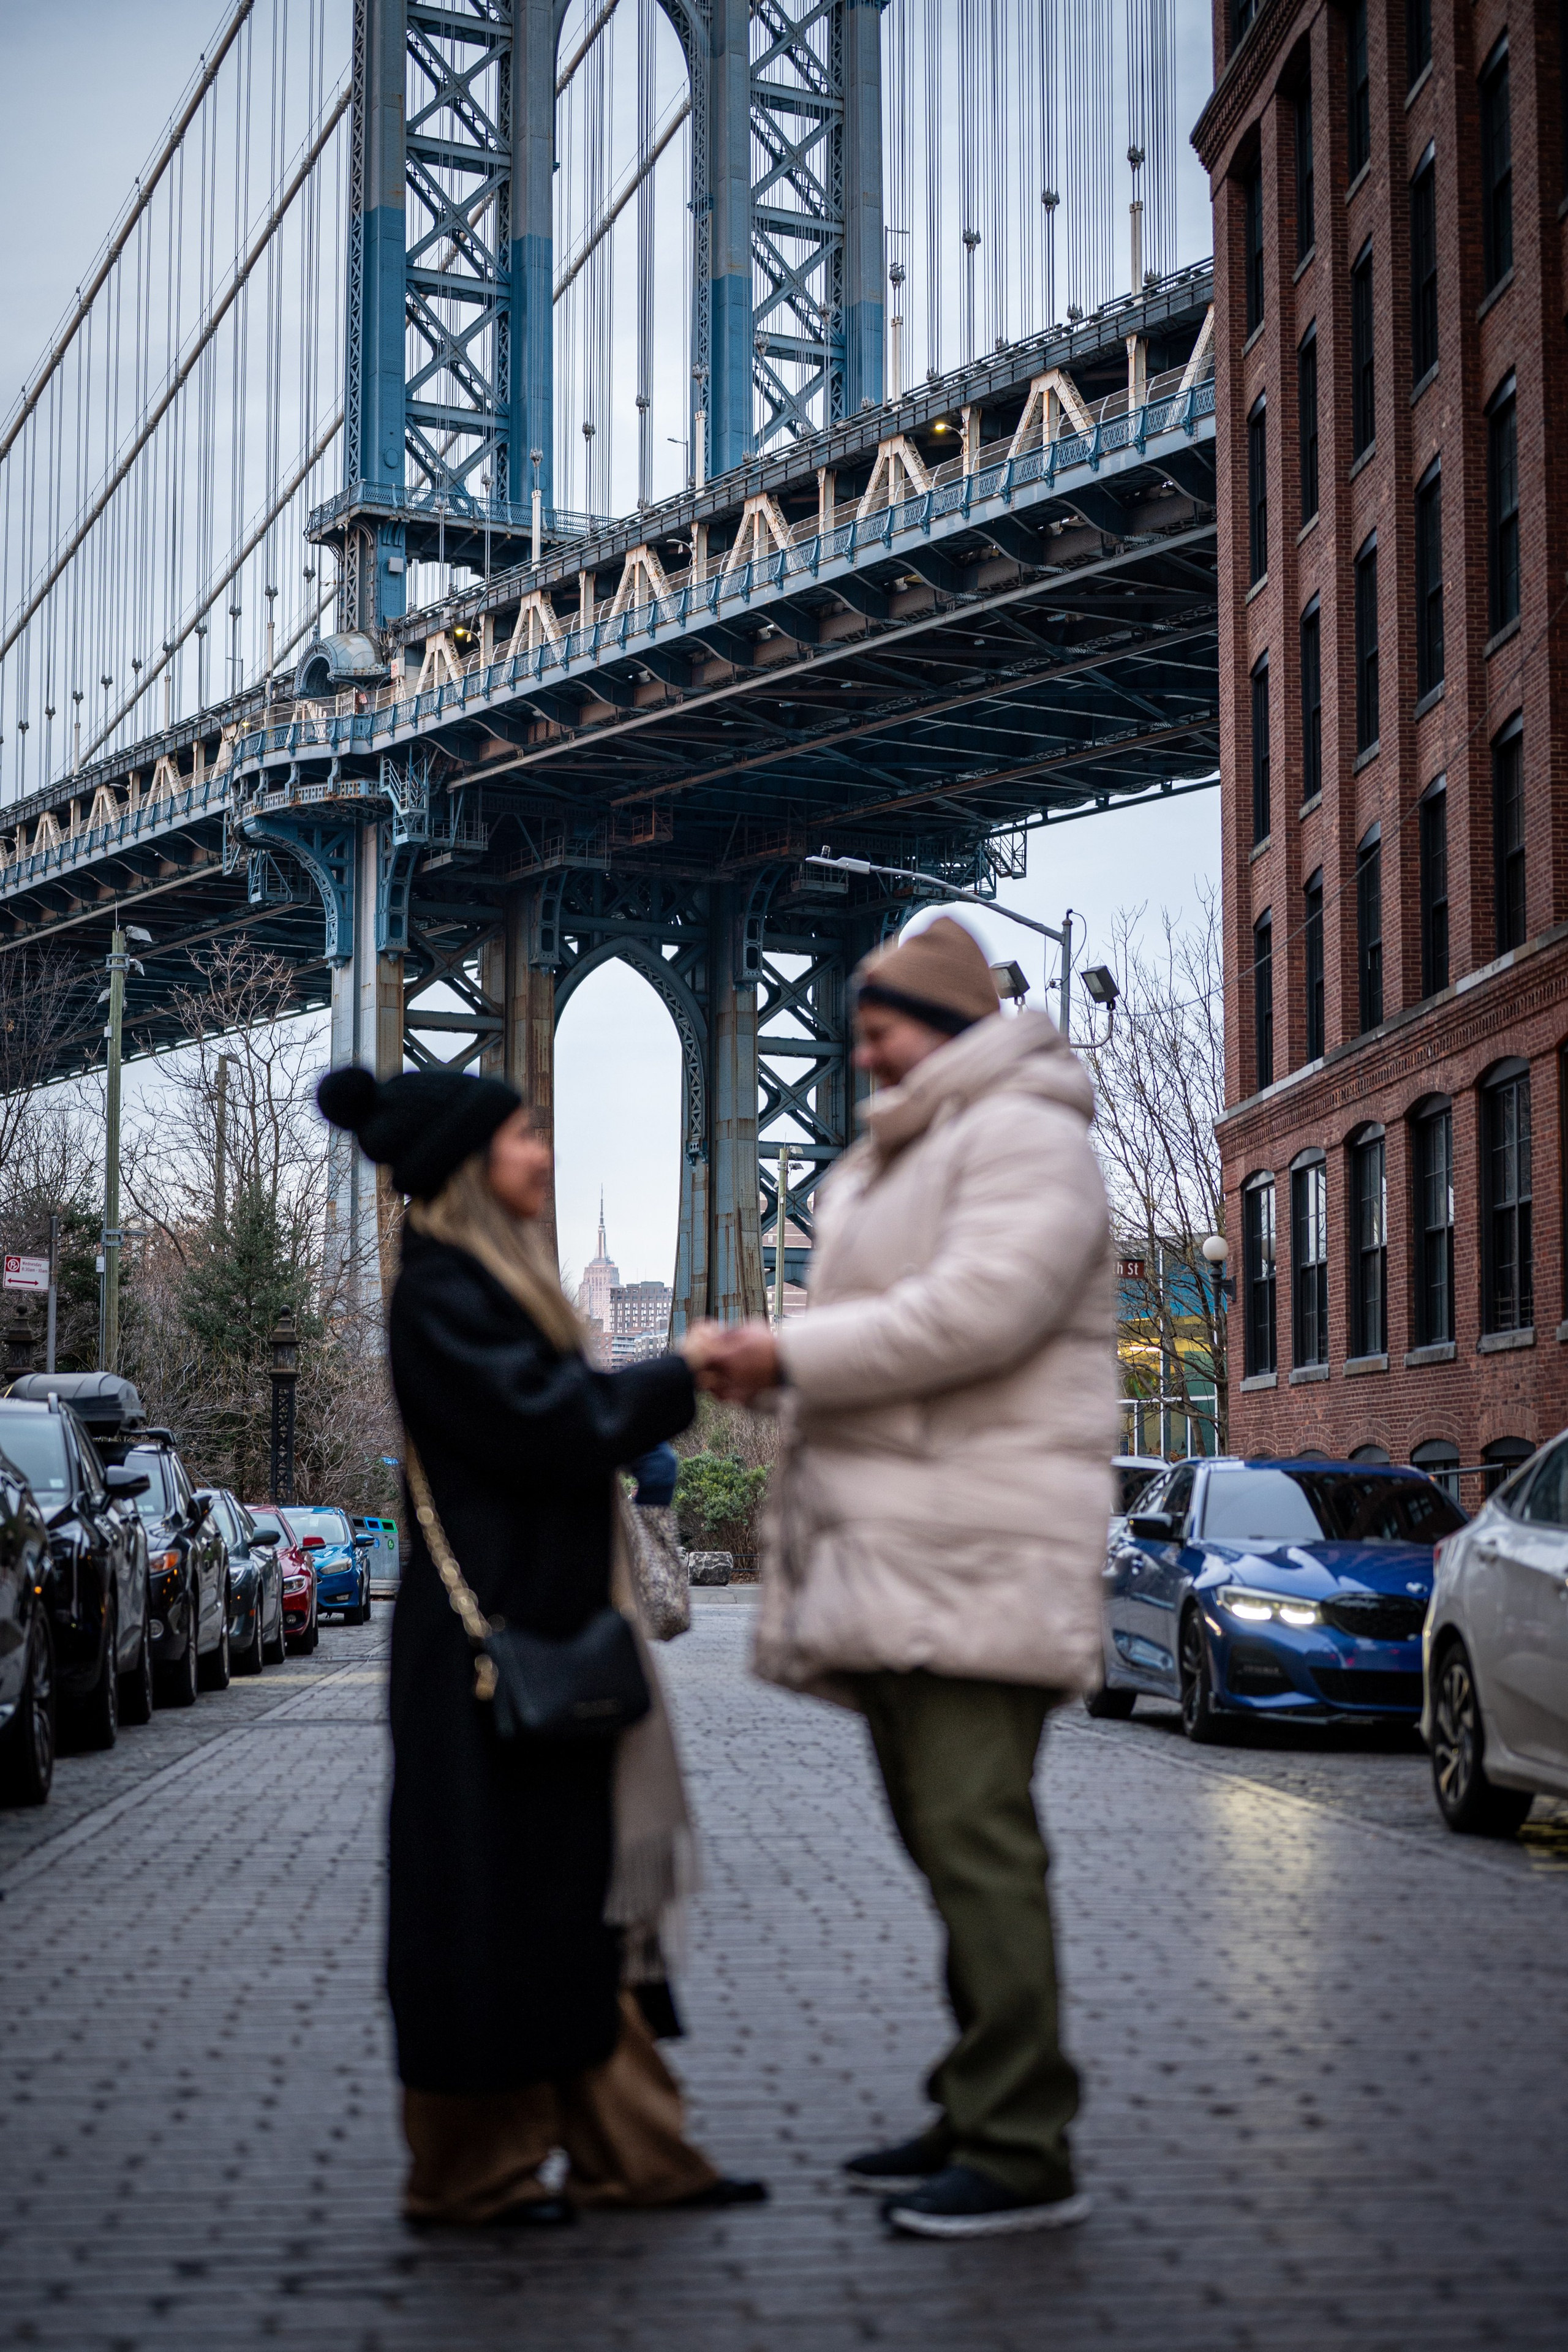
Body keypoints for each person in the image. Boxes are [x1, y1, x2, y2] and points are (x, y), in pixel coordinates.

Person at [698, 916, 1115, 2240]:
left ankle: (1020, 2151)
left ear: (940, 1024)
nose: (858, 1047)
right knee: (949, 1851)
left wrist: (785, 1357)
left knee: (982, 1850)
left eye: (877, 1025)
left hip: (978, 1552)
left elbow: (978, 1311)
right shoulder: (916, 1144)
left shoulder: (1024, 1135)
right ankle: (973, 2099)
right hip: (908, 1552)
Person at [317, 1064, 764, 2229]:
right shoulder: (446, 1294)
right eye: (526, 1137)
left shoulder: (487, 1286)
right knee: (492, 1913)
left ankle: (633, 2152)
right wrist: (683, 1375)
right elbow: (550, 1430)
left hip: (543, 1641)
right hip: (486, 1662)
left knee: (562, 1909)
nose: (544, 1156)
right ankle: (471, 2170)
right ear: (474, 1166)